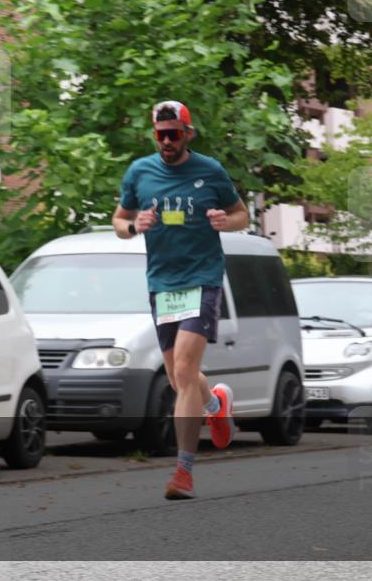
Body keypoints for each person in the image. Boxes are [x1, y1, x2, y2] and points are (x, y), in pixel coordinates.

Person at [112, 100, 249, 500]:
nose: (167, 141)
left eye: (174, 134)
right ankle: (216, 404)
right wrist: (134, 225)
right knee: (178, 379)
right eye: (161, 134)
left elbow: (241, 214)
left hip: (202, 280)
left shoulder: (209, 171)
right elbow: (119, 221)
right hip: (163, 284)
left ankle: (183, 471)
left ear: (188, 133)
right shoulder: (140, 172)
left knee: (187, 369)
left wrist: (228, 222)